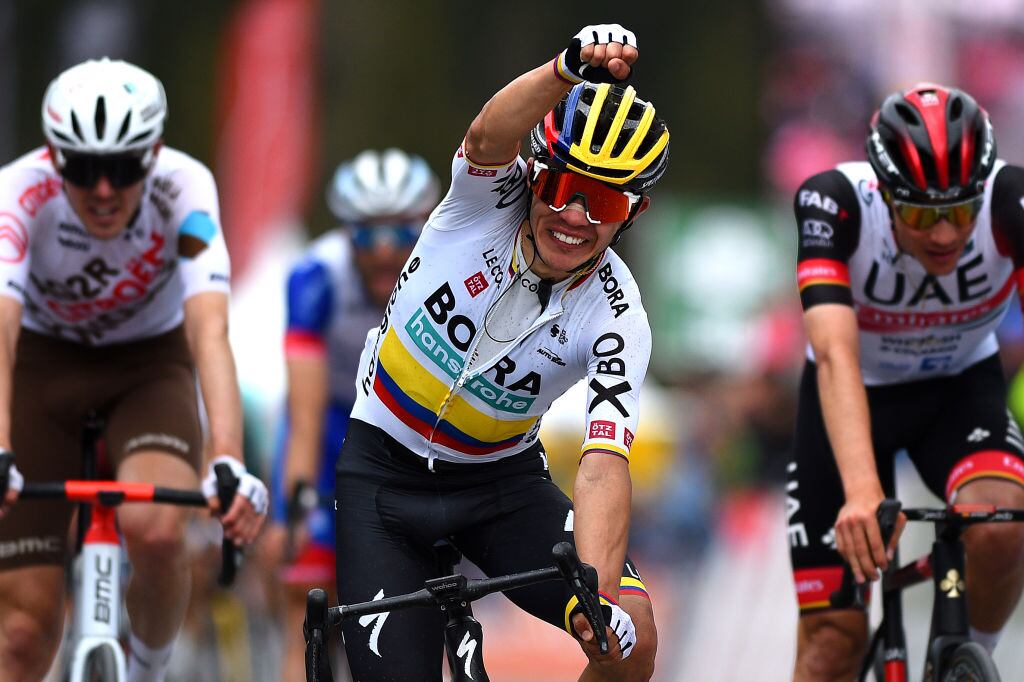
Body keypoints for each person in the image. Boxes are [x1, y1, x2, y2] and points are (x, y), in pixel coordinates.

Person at [332, 23, 668, 681]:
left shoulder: (618, 314)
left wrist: (594, 598)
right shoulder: (486, 197)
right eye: (563, 186)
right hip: (383, 473)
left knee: (634, 641)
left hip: (499, 486)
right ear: (535, 174)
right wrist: (565, 69)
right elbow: (488, 133)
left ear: (634, 211)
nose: (573, 215)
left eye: (600, 201)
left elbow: (603, 462)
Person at [0, 58, 268, 682]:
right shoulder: (18, 192)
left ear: (155, 155)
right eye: (83, 168)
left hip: (149, 369)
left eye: (121, 170)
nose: (102, 190)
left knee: (154, 530)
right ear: (52, 157)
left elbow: (209, 329)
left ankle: (147, 670)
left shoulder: (186, 187)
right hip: (41, 370)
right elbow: (2, 329)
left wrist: (226, 457)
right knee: (20, 631)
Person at [788, 83, 1024, 680]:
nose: (944, 235)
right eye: (921, 214)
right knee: (832, 643)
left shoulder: (1012, 202)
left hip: (959, 387)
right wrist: (863, 490)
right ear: (886, 194)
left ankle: (969, 664)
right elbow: (835, 354)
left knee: (1001, 526)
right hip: (850, 398)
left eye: (961, 211)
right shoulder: (835, 202)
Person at [268, 148, 439, 677]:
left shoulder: (446, 272)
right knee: (306, 596)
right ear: (345, 233)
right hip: (329, 426)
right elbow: (305, 412)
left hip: (406, 430)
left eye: (401, 232)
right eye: (367, 234)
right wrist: (291, 508)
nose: (385, 250)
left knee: (414, 602)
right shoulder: (316, 276)